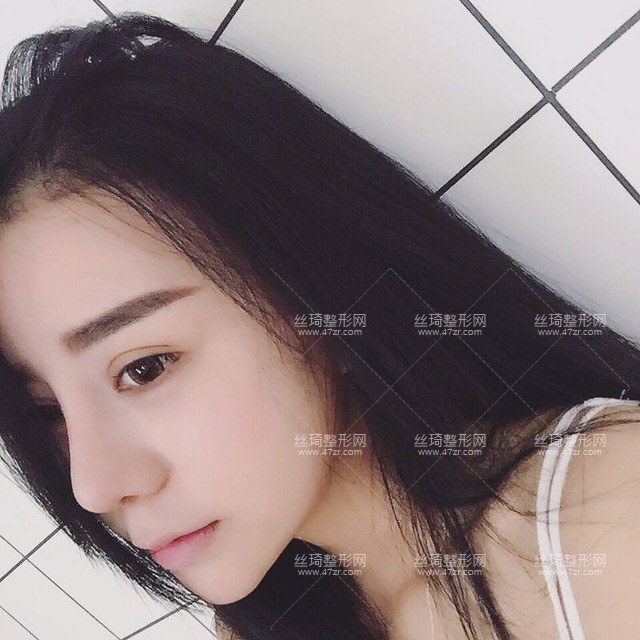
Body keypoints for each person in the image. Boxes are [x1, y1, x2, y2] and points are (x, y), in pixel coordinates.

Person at [1, 12, 639, 640]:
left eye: (143, 368)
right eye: (49, 411)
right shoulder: (261, 626)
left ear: (309, 293)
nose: (93, 485)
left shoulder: (606, 512)